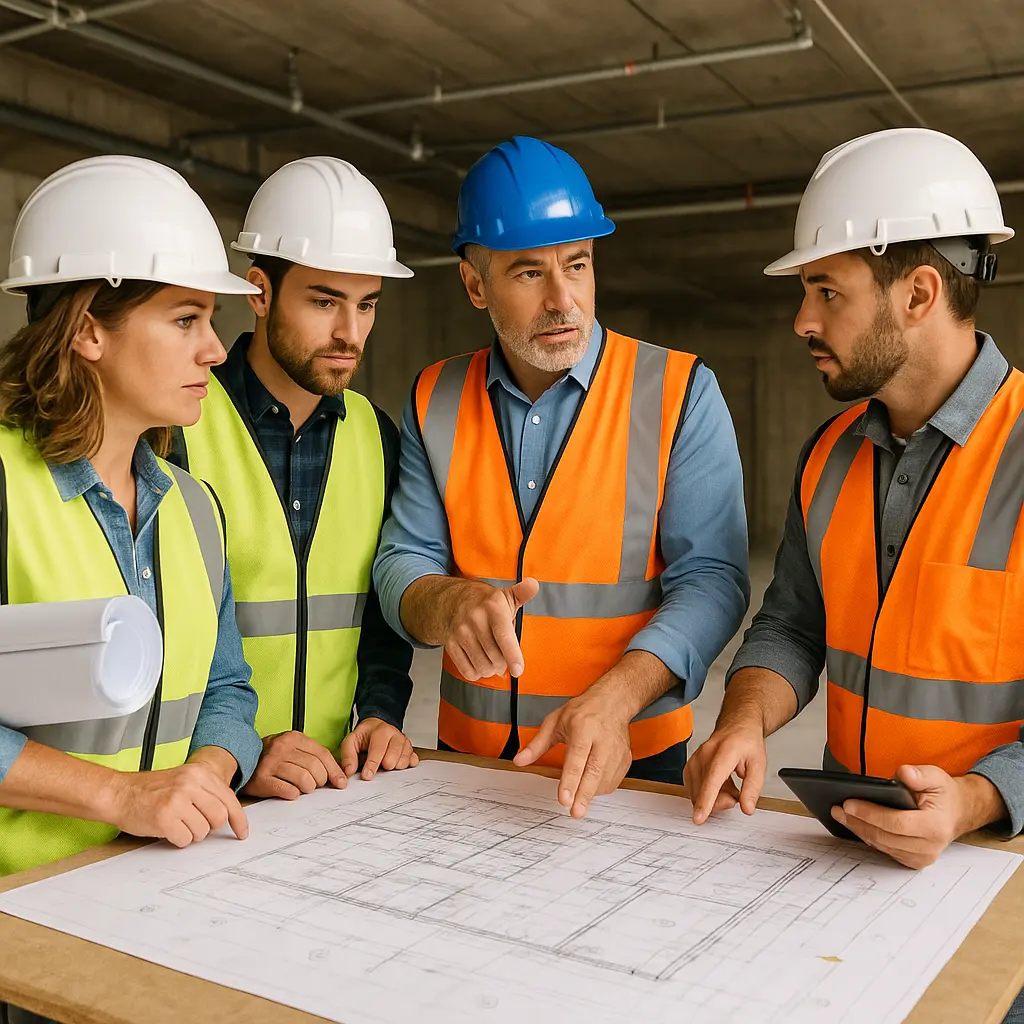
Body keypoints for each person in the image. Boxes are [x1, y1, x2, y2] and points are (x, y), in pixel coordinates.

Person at [685, 128, 1024, 1014]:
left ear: (918, 293)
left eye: (825, 292)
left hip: (999, 884)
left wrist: (975, 802)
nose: (802, 321)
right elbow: (793, 625)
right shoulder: (829, 455)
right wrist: (746, 723)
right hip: (847, 870)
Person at [373, 136, 749, 819]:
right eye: (527, 274)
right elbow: (404, 559)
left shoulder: (679, 393)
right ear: (474, 284)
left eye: (577, 265)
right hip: (471, 768)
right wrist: (449, 602)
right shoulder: (435, 397)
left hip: (634, 764)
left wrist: (617, 698)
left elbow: (714, 582)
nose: (562, 299)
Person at [0, 155, 264, 877]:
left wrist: (204, 778)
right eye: (186, 319)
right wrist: (123, 796)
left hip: (149, 895)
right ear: (89, 333)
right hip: (19, 917)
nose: (215, 350)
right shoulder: (4, 488)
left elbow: (227, 691)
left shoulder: (194, 508)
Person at [173, 157, 418, 801]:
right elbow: (161, 640)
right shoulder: (178, 430)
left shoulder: (378, 437)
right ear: (259, 292)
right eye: (323, 302)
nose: (350, 334)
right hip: (206, 790)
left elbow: (381, 621)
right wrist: (235, 752)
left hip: (337, 787)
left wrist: (381, 716)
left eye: (367, 305)